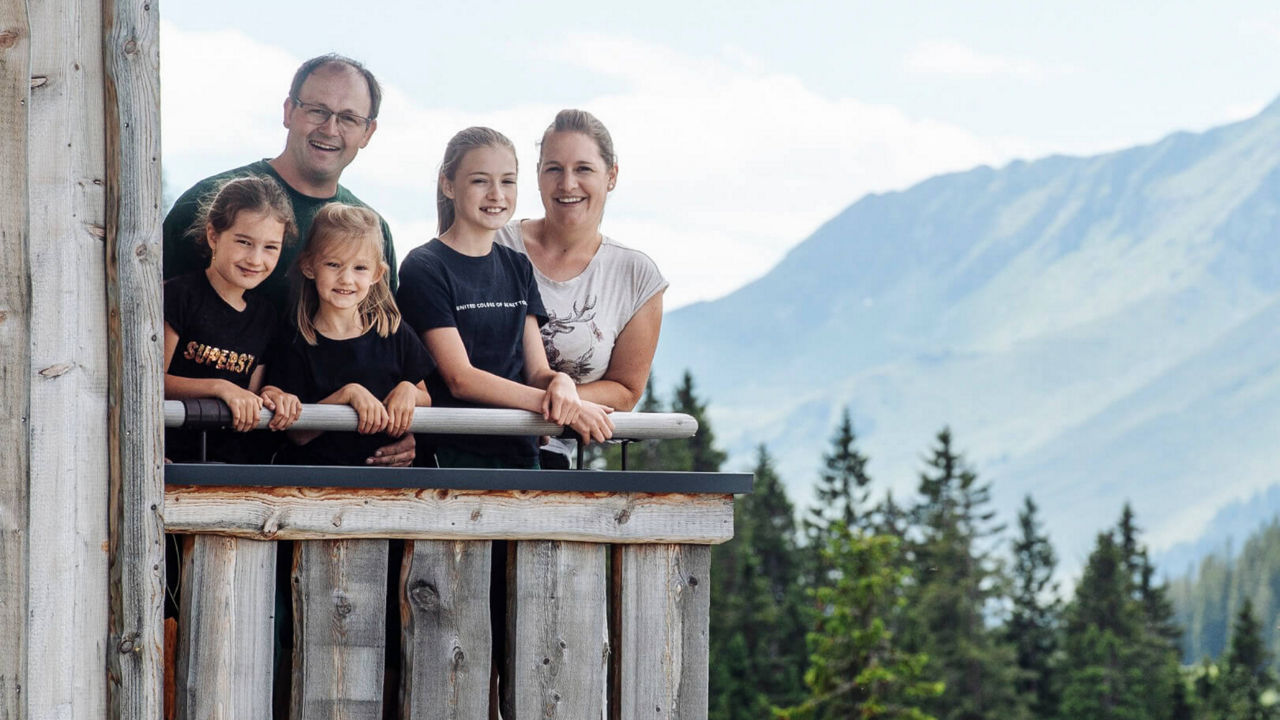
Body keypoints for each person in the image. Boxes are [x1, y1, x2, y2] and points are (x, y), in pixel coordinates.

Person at [163, 52, 415, 466]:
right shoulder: (211, 202)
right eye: (317, 109)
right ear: (288, 111)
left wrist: (407, 429)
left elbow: (388, 347)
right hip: (197, 453)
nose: (330, 128)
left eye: (349, 118)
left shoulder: (372, 230)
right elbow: (141, 340)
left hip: (319, 459)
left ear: (368, 132)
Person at [396, 126, 613, 469]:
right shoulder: (424, 267)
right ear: (448, 184)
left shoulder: (517, 267)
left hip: (521, 455)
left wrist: (562, 385)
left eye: (507, 181)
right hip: (450, 458)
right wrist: (558, 406)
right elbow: (460, 379)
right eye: (480, 181)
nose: (496, 194)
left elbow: (537, 369)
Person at [495, 109, 667, 468]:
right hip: (461, 446)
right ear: (539, 176)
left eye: (583, 169)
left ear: (611, 175)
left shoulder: (636, 276)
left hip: (552, 461)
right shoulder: (492, 244)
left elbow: (625, 390)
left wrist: (563, 399)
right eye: (554, 169)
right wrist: (554, 403)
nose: (567, 184)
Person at [267, 204, 432, 466]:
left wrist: (408, 389)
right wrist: (347, 395)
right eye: (334, 264)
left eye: (360, 268)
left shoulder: (393, 330)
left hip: (385, 488)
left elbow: (426, 398)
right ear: (309, 266)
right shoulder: (294, 339)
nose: (346, 279)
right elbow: (297, 433)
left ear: (377, 274)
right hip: (314, 488)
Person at [163, 175, 303, 463]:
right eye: (244, 242)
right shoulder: (177, 296)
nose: (255, 259)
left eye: (270, 247)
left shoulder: (266, 316)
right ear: (213, 236)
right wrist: (220, 387)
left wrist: (274, 395)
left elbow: (251, 394)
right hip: (171, 462)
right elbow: (152, 382)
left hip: (229, 469)